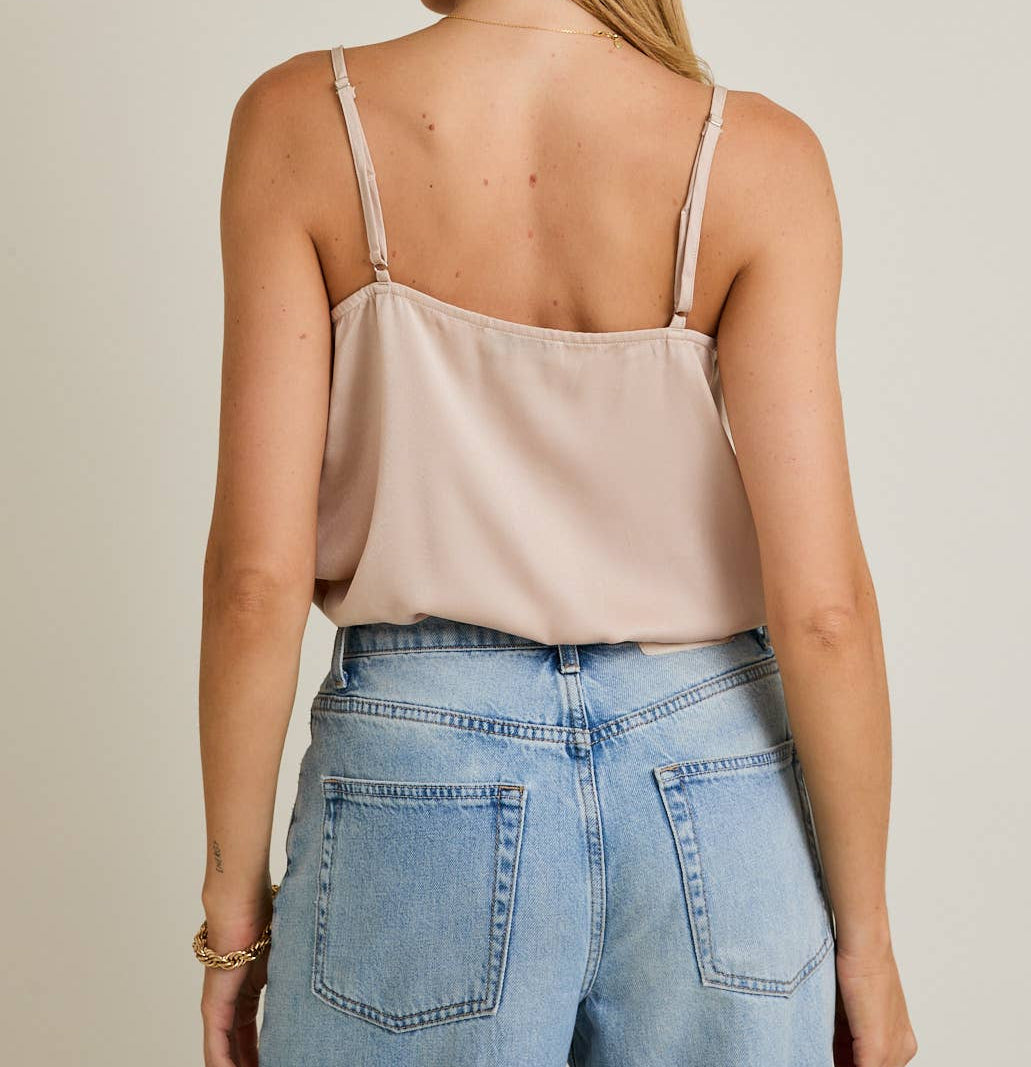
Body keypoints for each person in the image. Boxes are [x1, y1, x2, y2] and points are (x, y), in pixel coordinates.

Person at [194, 3, 918, 1065]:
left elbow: (256, 581)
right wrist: (865, 941)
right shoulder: (756, 156)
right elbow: (822, 611)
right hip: (714, 784)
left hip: (416, 772)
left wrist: (230, 920)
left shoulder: (304, 120)